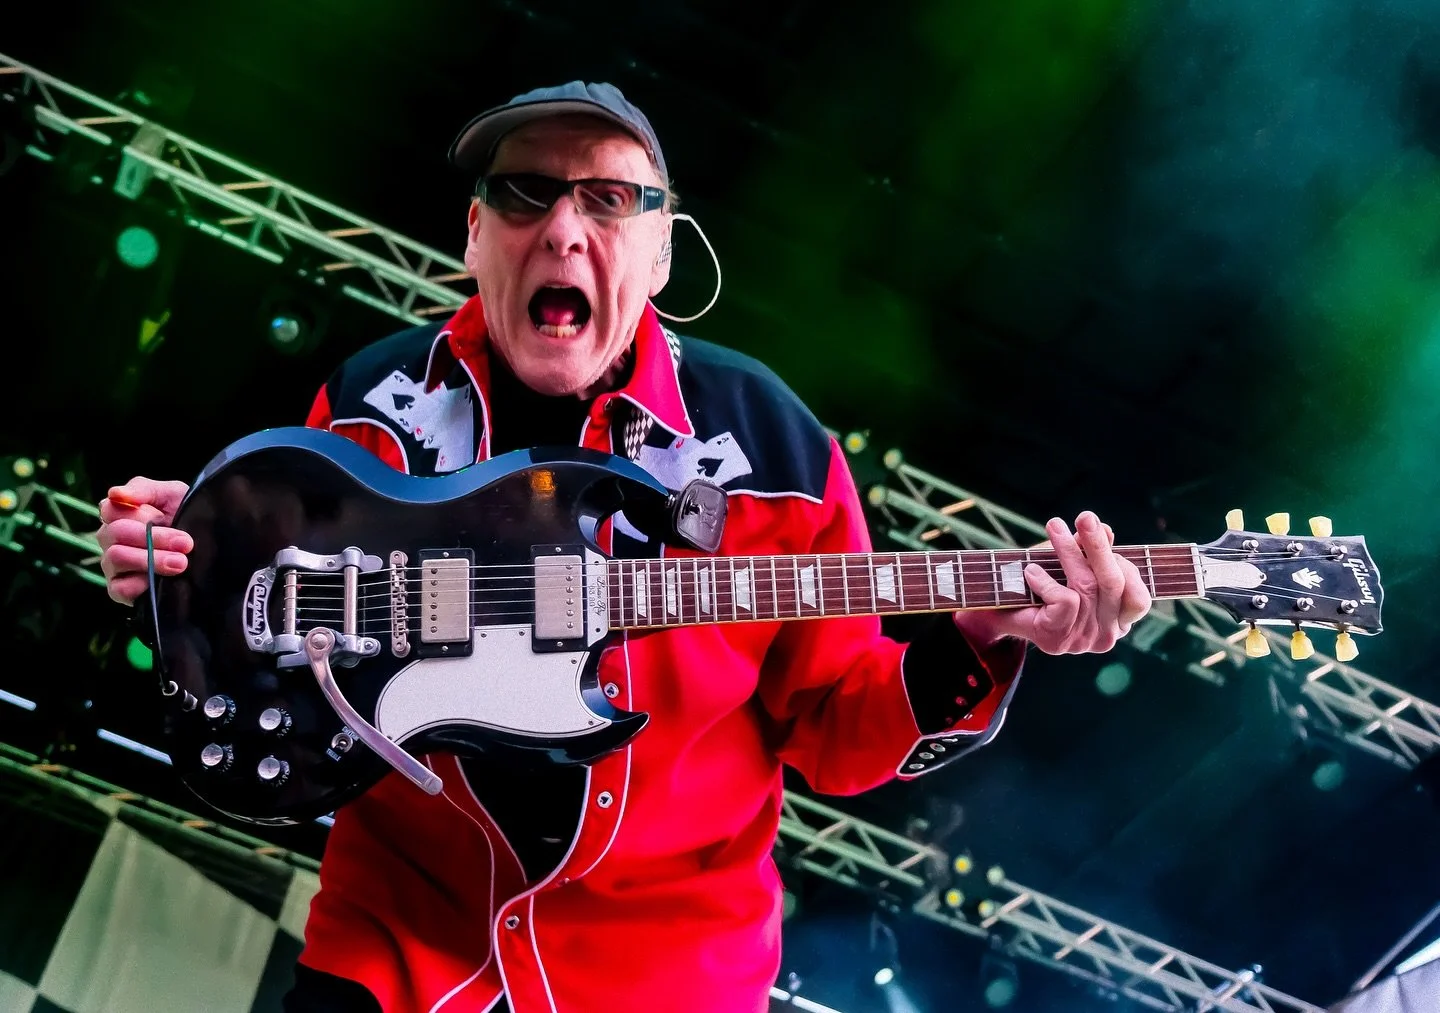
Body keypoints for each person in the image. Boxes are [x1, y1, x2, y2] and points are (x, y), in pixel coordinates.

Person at [96, 82, 1151, 1013]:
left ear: (660, 252)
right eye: (524, 193)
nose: (563, 228)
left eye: (608, 199)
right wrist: (189, 559)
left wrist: (973, 637)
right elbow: (289, 618)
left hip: (665, 972)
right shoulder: (370, 403)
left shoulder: (776, 449)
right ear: (473, 235)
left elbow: (835, 727)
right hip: (396, 947)